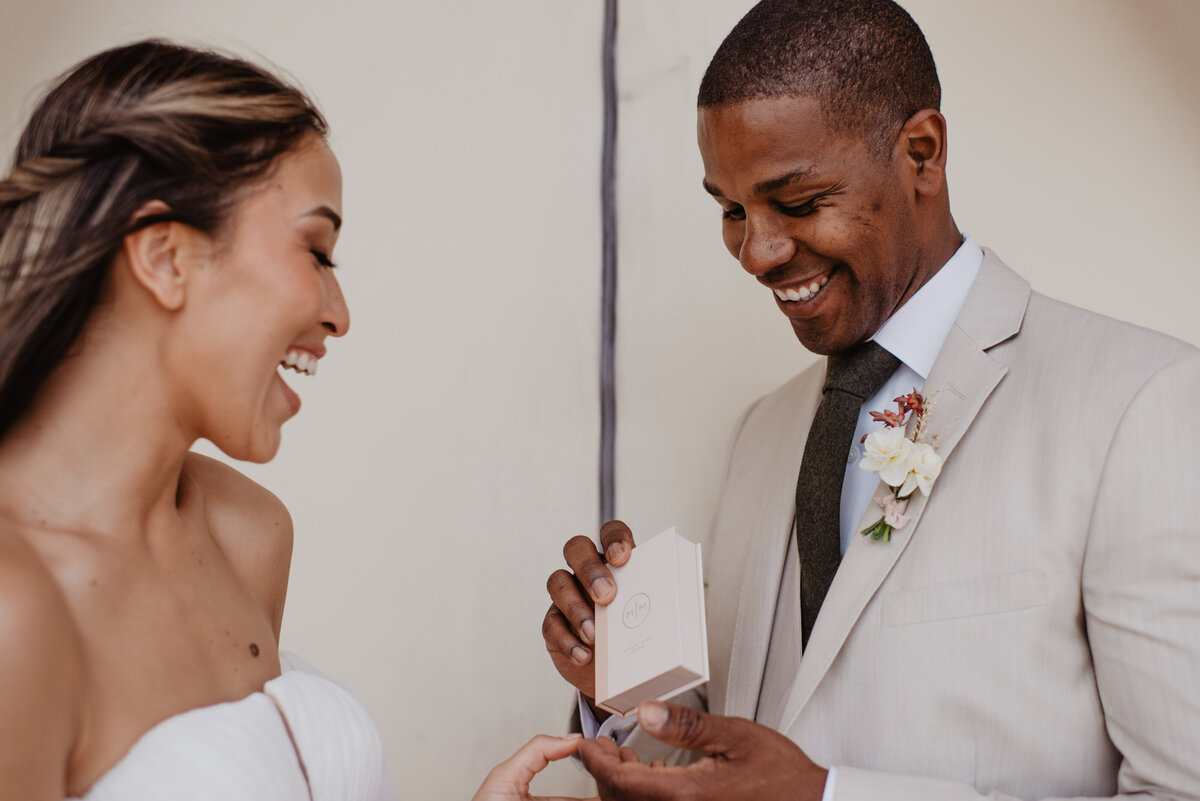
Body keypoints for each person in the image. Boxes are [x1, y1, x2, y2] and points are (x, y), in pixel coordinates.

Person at [541, 1, 1200, 799]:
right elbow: (743, 766)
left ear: (922, 153)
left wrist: (829, 794)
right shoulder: (761, 433)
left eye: (798, 201)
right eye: (730, 210)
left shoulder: (1139, 403)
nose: (758, 251)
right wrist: (619, 682)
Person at [0, 40, 588, 801]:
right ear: (165, 257)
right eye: (316, 250)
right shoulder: (14, 606)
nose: (338, 315)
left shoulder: (246, 532)